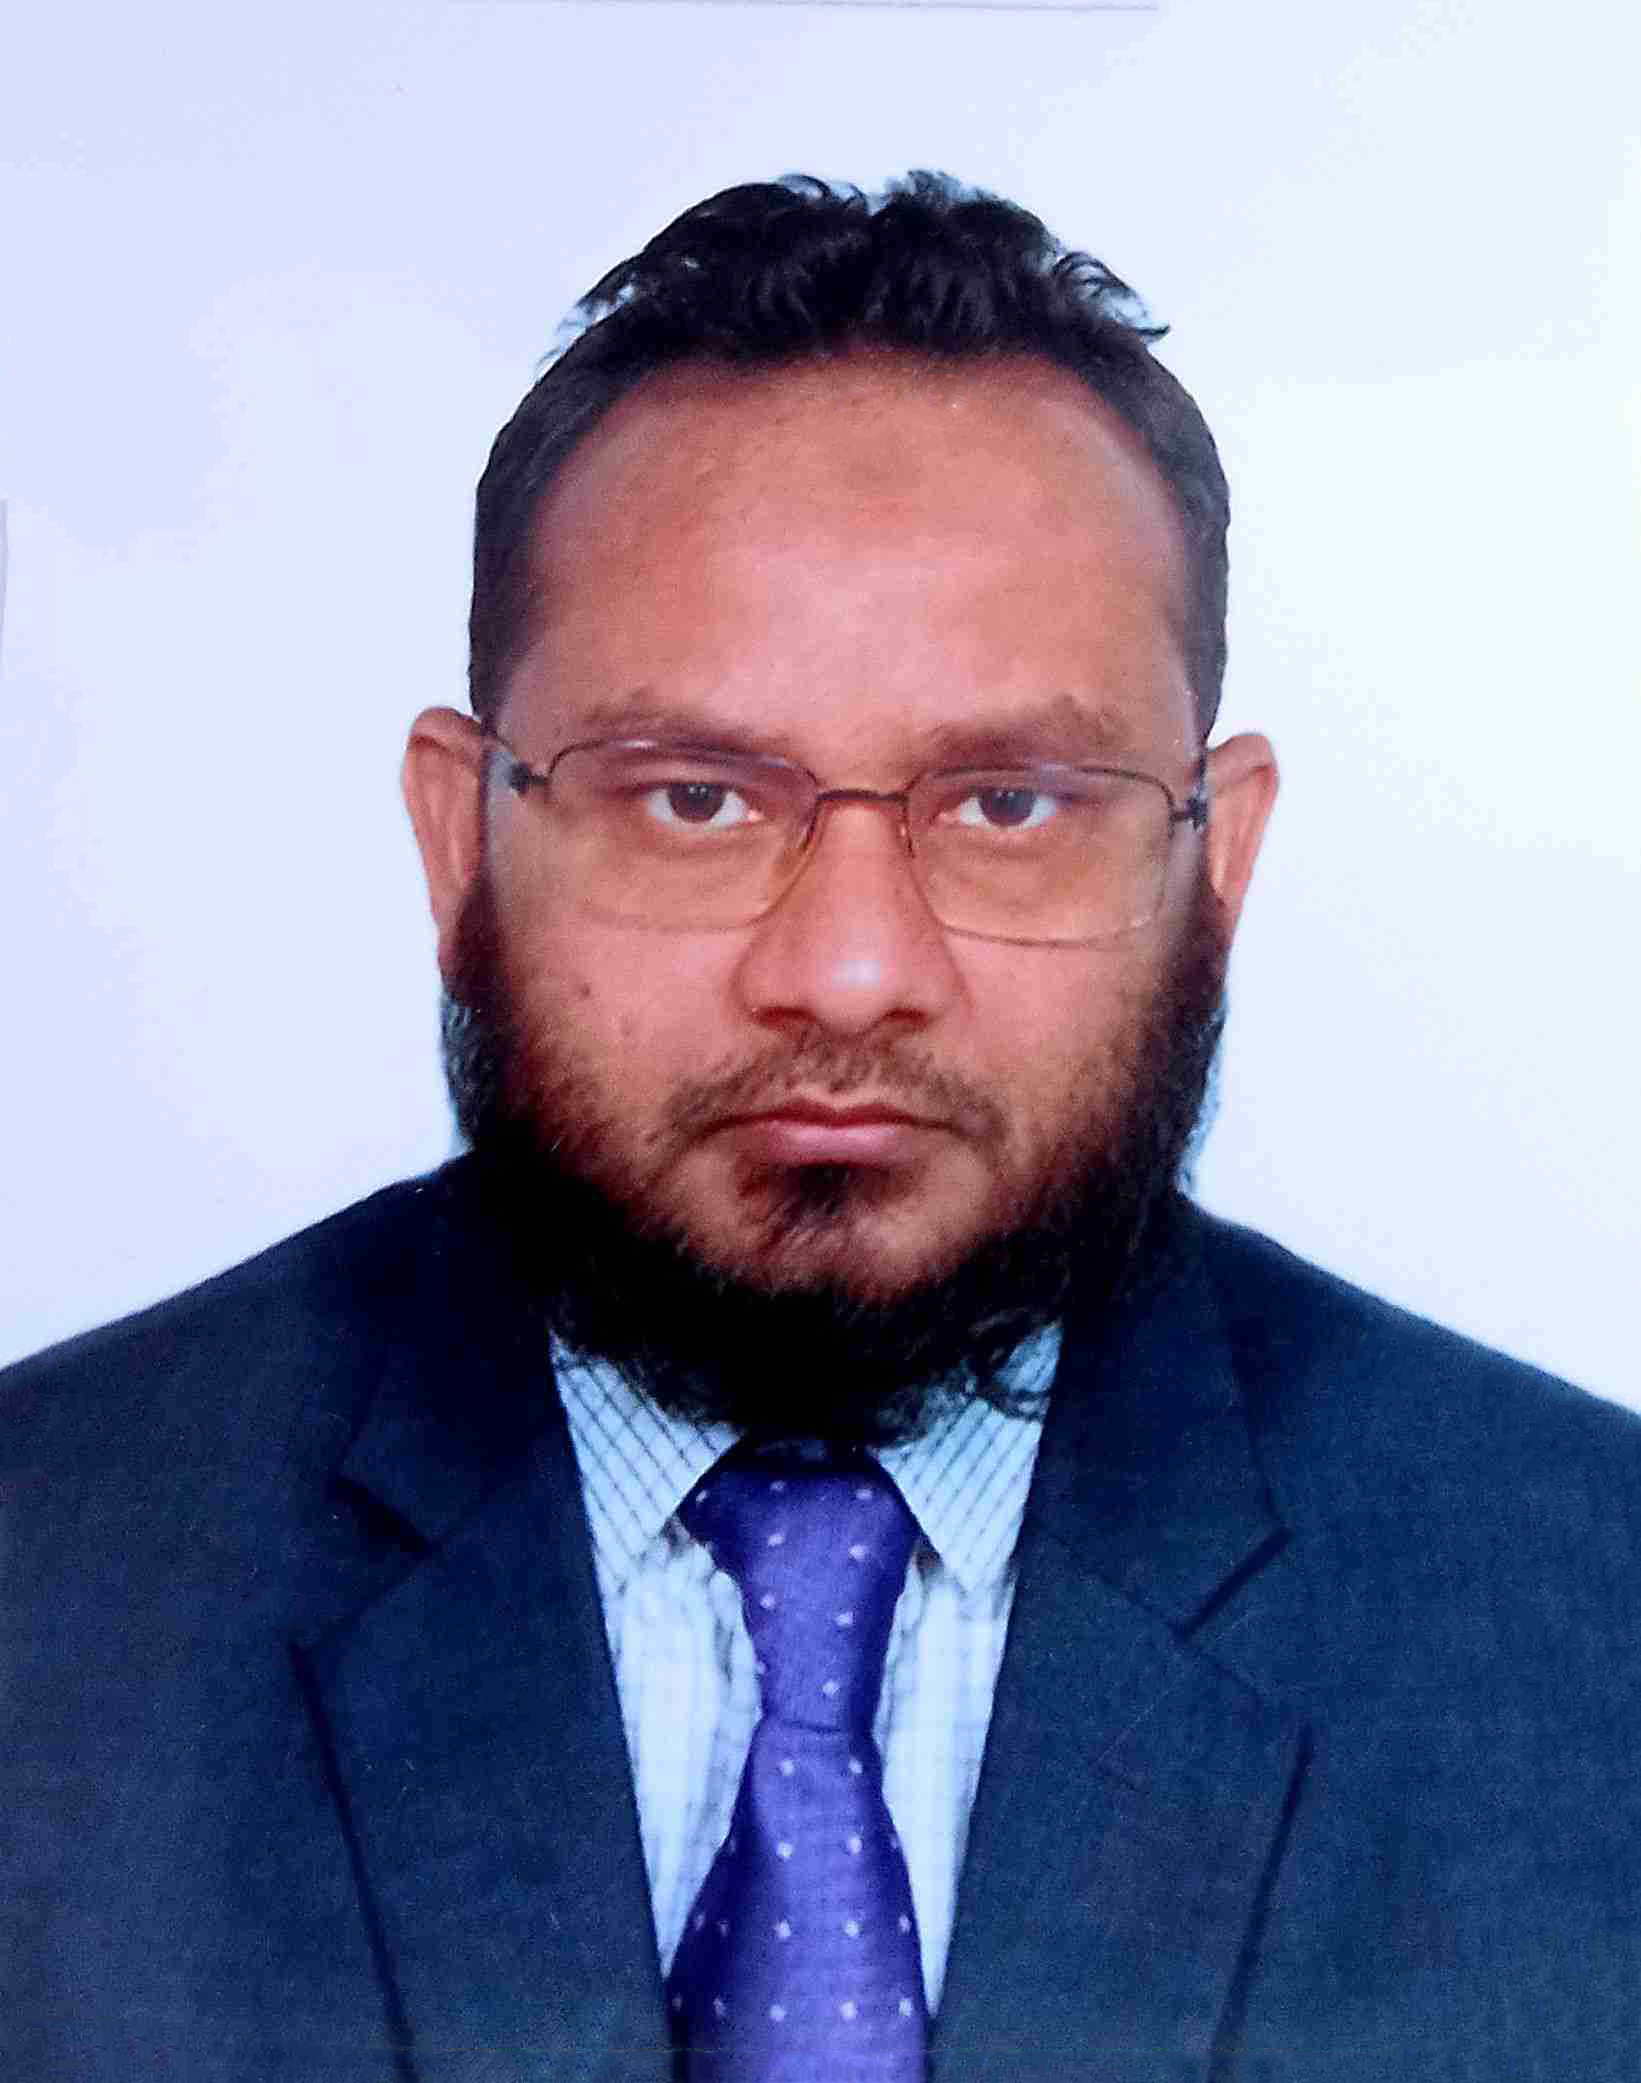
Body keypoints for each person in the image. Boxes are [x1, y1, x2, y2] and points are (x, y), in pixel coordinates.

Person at [3, 173, 1637, 2083]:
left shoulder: (1594, 1624)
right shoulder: (45, 1587)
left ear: (1216, 864)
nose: (850, 974)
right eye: (694, 798)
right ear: (458, 842)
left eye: (1010, 804)